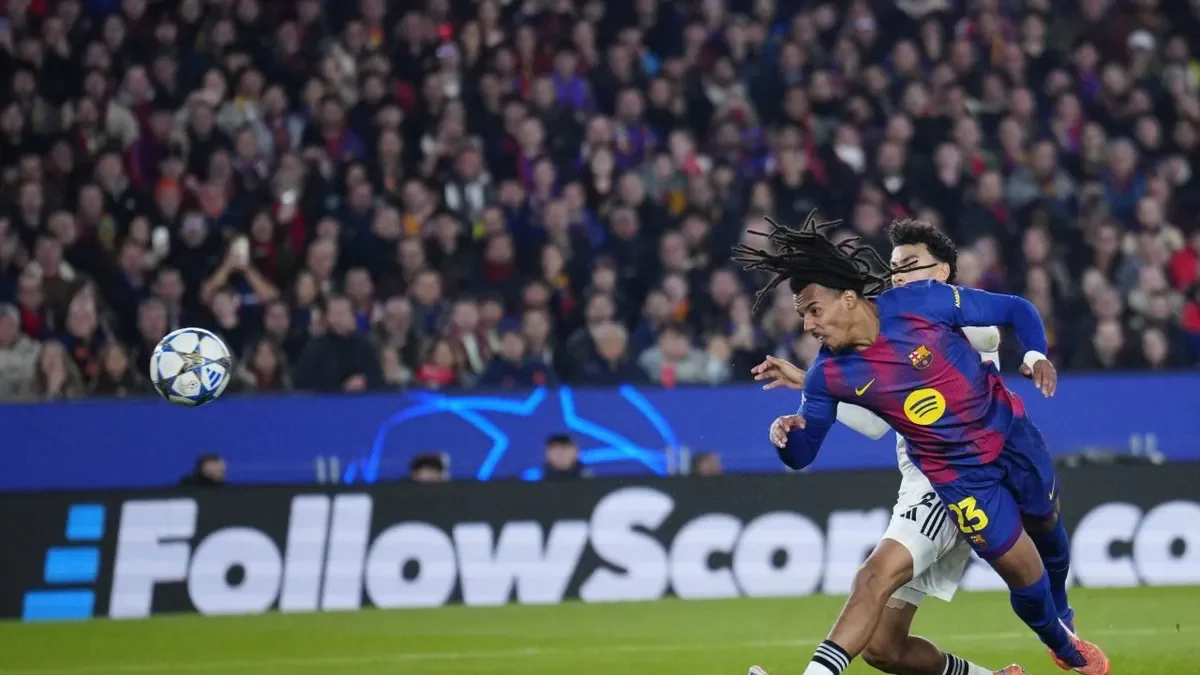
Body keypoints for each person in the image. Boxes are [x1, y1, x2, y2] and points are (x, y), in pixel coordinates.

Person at [732, 213, 1106, 675]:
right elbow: (812, 447)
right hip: (952, 479)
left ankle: (1062, 623)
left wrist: (1033, 354)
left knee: (1047, 527)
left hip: (1009, 439)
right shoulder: (828, 374)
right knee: (898, 633)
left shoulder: (930, 304)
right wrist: (788, 435)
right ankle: (1056, 646)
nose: (807, 325)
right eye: (894, 267)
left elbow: (1012, 312)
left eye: (813, 311)